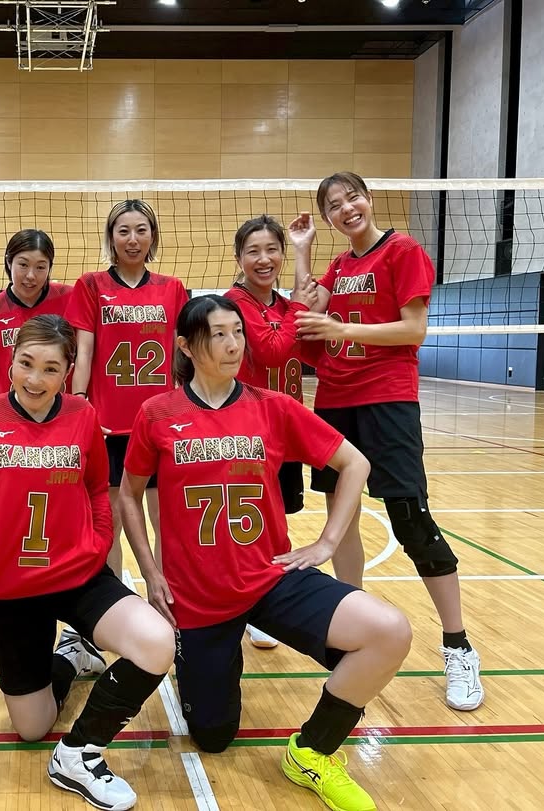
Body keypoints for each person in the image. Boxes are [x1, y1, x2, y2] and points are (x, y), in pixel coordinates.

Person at [119, 295, 411, 811]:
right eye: (218, 334)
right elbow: (128, 494)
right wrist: (150, 571)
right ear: (185, 346)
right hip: (198, 597)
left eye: (238, 332)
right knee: (213, 736)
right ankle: (210, 663)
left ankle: (311, 751)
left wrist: (326, 542)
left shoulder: (271, 407)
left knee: (389, 632)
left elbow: (356, 464)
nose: (233, 344)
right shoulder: (157, 414)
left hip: (270, 578)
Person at [0, 315, 175, 811]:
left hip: (77, 575)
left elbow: (98, 486)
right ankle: (73, 657)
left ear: (68, 372)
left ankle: (78, 753)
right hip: (10, 585)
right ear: (10, 362)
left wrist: (98, 542)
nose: (35, 379)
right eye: (26, 364)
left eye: (50, 369)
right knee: (32, 727)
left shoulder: (82, 414)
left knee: (157, 641)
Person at [294, 171, 484, 711]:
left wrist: (345, 331)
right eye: (334, 205)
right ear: (328, 218)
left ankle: (458, 646)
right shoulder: (339, 266)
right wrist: (302, 250)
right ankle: (351, 629)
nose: (346, 208)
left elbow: (413, 329)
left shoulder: (402, 251)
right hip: (336, 400)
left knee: (411, 519)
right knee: (342, 518)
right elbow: (308, 311)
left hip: (387, 399)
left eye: (352, 197)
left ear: (369, 199)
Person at [65, 199, 188, 576]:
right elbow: (83, 352)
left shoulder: (172, 288)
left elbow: (182, 354)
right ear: (111, 237)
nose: (132, 239)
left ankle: (166, 599)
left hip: (161, 423)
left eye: (141, 230)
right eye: (124, 231)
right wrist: (81, 405)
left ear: (152, 237)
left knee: (166, 522)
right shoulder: (91, 285)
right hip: (110, 426)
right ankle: (114, 600)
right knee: (111, 523)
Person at [223, 214, 322, 649]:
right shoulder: (235, 303)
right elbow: (271, 350)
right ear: (239, 258)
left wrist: (302, 249)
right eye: (253, 251)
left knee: (275, 521)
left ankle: (263, 601)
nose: (264, 259)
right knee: (248, 522)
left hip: (283, 430)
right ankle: (242, 602)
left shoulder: (283, 306)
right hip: (247, 430)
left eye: (272, 250)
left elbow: (308, 349)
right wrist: (300, 308)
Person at [0, 228, 74, 395]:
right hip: (11, 407)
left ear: (49, 267)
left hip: (62, 405)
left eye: (40, 267)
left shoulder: (70, 298)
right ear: (9, 262)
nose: (31, 275)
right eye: (23, 265)